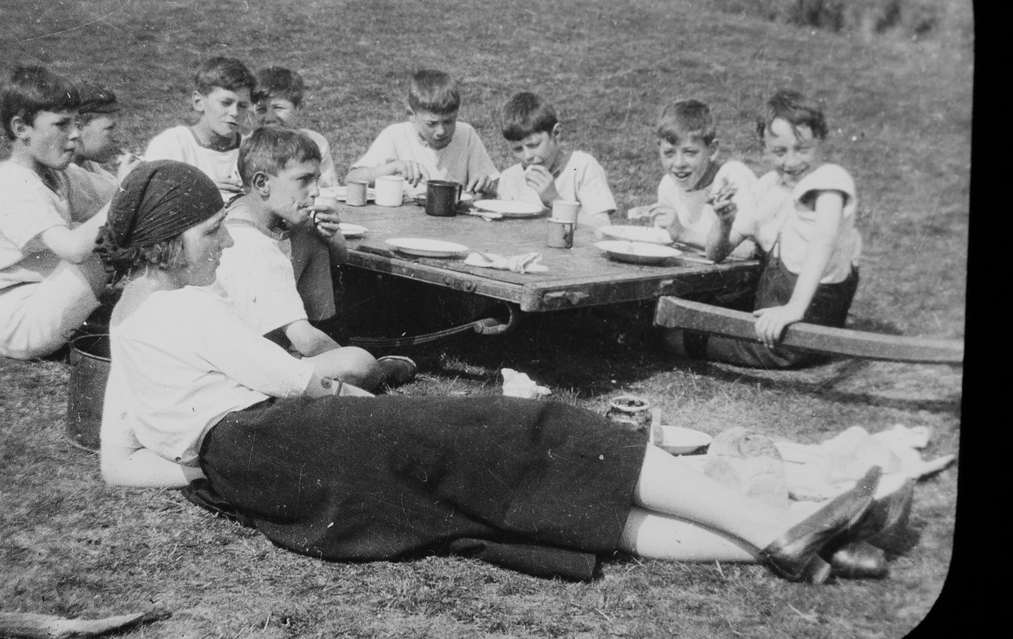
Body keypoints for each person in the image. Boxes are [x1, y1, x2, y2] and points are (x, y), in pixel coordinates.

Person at [97, 159, 888, 583]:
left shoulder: (130, 318)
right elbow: (301, 380)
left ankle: (786, 544)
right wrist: (359, 392)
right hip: (295, 434)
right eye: (209, 233)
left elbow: (118, 464)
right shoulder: (186, 308)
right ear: (165, 240)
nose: (223, 244)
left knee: (502, 512)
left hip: (270, 477)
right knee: (533, 431)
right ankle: (776, 529)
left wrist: (213, 470)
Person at [215, 128, 411, 386]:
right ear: (262, 184)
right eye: (304, 180)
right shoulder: (252, 245)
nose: (316, 191)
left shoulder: (256, 219)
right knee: (358, 364)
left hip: (258, 349)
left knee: (309, 232)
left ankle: (339, 351)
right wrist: (345, 356)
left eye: (317, 179)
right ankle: (372, 374)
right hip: (241, 368)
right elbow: (305, 338)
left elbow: (339, 257)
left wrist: (332, 234)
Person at [684, 91, 863, 368]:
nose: (791, 162)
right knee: (694, 315)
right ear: (764, 148)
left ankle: (675, 340)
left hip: (805, 321)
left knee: (681, 340)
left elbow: (824, 240)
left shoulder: (829, 181)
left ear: (820, 142)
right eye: (779, 151)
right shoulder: (767, 187)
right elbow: (716, 253)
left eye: (802, 150)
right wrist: (724, 220)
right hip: (771, 310)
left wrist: (793, 309)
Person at [0, 65, 113, 360]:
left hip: (41, 297)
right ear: (21, 129)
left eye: (77, 123)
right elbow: (75, 250)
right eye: (62, 124)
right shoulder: (11, 183)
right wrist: (122, 203)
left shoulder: (58, 174)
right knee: (99, 246)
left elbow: (117, 192)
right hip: (15, 321)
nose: (75, 135)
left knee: (107, 230)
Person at [346, 69, 499, 195]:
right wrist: (394, 167)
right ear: (411, 115)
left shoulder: (466, 134)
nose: (441, 131)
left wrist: (487, 186)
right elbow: (352, 179)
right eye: (431, 124)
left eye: (448, 121)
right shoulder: (396, 135)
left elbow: (494, 187)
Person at [648, 99, 757, 258]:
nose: (678, 164)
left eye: (690, 152)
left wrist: (683, 234)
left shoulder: (730, 178)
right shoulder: (668, 185)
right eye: (669, 153)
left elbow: (752, 251)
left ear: (711, 150)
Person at [495, 92, 618, 226]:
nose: (527, 156)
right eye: (518, 149)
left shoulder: (582, 167)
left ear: (556, 133)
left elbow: (602, 226)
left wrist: (555, 201)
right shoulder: (510, 179)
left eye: (534, 145)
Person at [142, 56, 256, 195]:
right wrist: (201, 191)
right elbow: (151, 203)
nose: (234, 112)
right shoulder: (173, 145)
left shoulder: (252, 149)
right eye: (226, 103)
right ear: (198, 101)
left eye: (243, 106)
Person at [250, 66, 339, 188]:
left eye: (278, 108)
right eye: (261, 110)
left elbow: (330, 189)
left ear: (299, 107)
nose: (269, 118)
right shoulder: (249, 145)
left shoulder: (316, 142)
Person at [72, 79, 137, 185]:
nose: (117, 138)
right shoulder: (66, 175)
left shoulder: (88, 165)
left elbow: (111, 186)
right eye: (110, 128)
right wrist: (126, 183)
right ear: (78, 126)